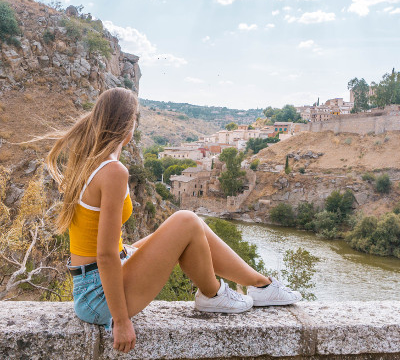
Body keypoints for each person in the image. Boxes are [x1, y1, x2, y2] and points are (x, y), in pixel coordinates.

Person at [46, 87, 301, 354]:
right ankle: (213, 294)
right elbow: (106, 254)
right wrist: (121, 322)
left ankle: (261, 285)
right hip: (99, 297)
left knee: (194, 226)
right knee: (186, 221)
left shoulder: (92, 161)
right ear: (128, 126)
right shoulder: (112, 171)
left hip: (93, 283)